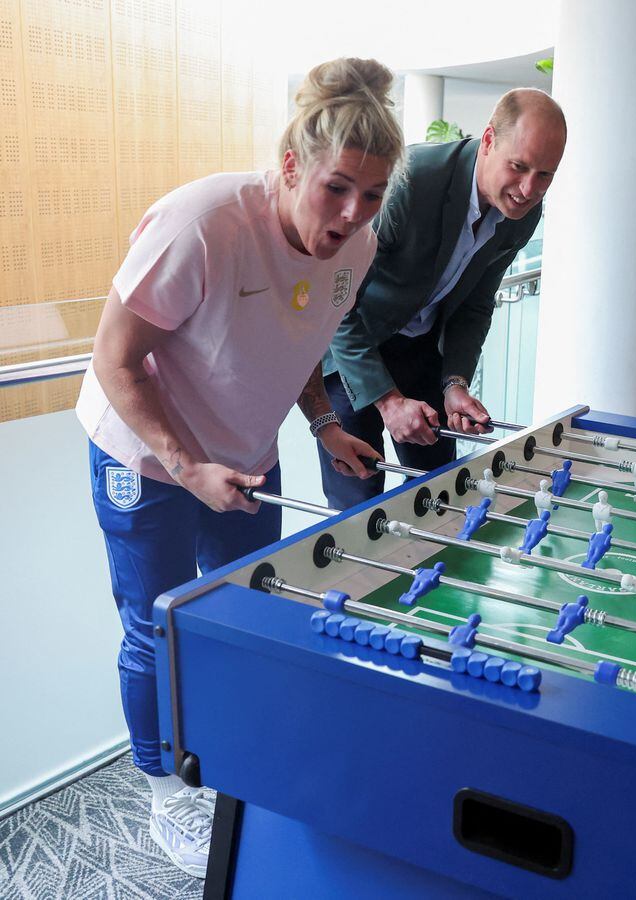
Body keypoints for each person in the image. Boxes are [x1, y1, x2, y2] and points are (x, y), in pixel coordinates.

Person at [77, 58, 405, 877]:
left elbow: (301, 343)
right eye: (337, 187)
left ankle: (235, 761)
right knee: (156, 628)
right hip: (146, 457)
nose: (354, 212)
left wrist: (326, 426)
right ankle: (162, 798)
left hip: (244, 458)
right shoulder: (204, 224)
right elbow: (115, 359)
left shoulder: (355, 247)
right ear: (291, 165)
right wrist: (186, 466)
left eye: (372, 193)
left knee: (251, 610)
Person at [318, 88, 567, 509]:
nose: (528, 189)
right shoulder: (411, 180)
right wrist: (388, 400)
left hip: (419, 348)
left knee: (439, 492)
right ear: (488, 140)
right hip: (352, 351)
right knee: (357, 504)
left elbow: (476, 304)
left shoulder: (521, 214)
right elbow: (336, 303)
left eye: (545, 175)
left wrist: (454, 383)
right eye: (518, 167)